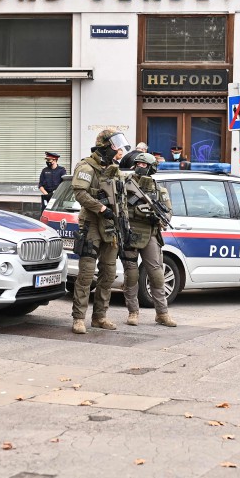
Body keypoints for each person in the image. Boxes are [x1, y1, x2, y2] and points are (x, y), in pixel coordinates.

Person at [70, 129, 131, 334]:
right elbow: (80, 193)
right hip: (92, 223)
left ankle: (100, 316)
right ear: (104, 145)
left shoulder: (115, 169)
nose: (119, 150)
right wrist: (101, 208)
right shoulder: (86, 166)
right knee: (87, 273)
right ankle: (79, 318)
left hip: (111, 226)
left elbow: (121, 198)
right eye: (115, 145)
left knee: (109, 273)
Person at [121, 153, 176, 327]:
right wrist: (137, 212)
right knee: (131, 274)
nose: (139, 166)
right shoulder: (125, 184)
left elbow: (168, 212)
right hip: (130, 233)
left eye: (144, 165)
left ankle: (162, 313)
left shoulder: (159, 190)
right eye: (137, 163)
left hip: (150, 233)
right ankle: (133, 312)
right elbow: (118, 207)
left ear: (151, 168)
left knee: (157, 274)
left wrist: (157, 218)